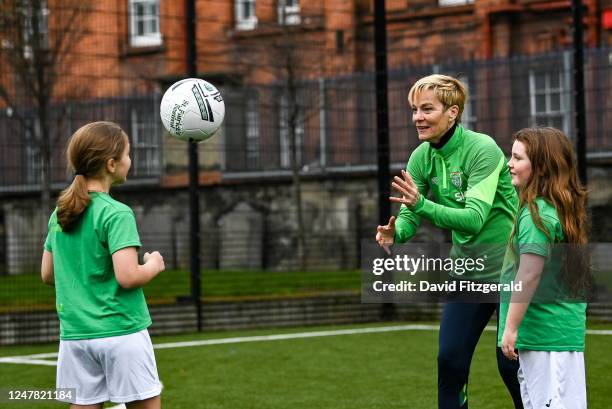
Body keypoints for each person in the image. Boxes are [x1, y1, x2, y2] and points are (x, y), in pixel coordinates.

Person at [375, 74, 523, 409]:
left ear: (452, 113)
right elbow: (411, 215)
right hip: (468, 271)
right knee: (450, 360)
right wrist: (396, 232)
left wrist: (421, 205)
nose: (418, 117)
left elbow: (473, 220)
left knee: (511, 365)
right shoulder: (421, 157)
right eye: (415, 109)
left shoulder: (481, 149)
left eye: (427, 109)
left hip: (511, 270)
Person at [41, 121, 165, 409]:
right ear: (111, 164)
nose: (130, 160)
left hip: (75, 337)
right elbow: (128, 276)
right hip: (121, 332)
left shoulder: (61, 212)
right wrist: (153, 265)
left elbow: (48, 275)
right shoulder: (117, 214)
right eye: (127, 154)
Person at [499, 127, 589, 409]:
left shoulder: (536, 214)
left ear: (539, 168)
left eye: (517, 158)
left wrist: (511, 328)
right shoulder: (556, 208)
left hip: (545, 338)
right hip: (557, 335)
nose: (509, 164)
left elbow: (529, 273)